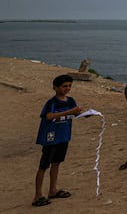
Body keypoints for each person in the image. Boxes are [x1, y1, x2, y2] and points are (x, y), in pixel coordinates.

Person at [33, 74, 82, 207]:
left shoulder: (71, 100)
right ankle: (37, 195)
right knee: (44, 165)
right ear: (55, 88)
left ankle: (53, 189)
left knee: (57, 163)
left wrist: (81, 113)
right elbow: (49, 116)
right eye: (64, 86)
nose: (67, 88)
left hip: (63, 136)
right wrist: (70, 111)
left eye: (69, 86)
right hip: (51, 137)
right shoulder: (52, 102)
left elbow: (75, 113)